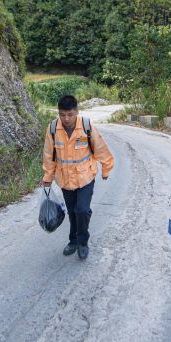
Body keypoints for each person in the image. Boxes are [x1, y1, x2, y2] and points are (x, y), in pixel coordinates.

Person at [42, 95, 115, 260]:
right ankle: (73, 241)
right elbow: (49, 154)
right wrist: (48, 175)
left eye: (70, 114)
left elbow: (100, 147)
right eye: (62, 115)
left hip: (85, 177)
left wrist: (106, 168)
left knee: (81, 210)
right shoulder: (53, 128)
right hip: (65, 179)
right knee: (72, 212)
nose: (66, 119)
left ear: (76, 112)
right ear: (58, 113)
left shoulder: (87, 126)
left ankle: (82, 242)